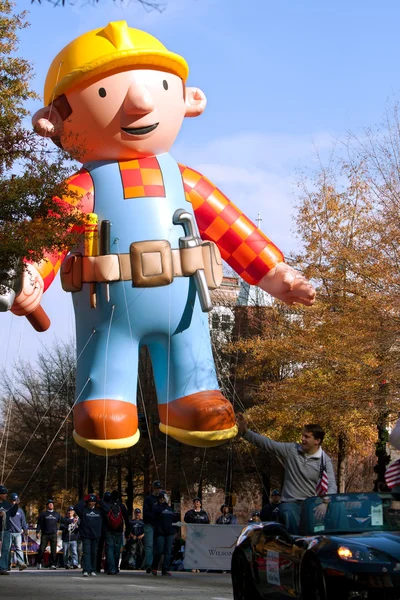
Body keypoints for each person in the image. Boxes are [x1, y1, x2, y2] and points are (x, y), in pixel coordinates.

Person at [14, 20, 316, 459]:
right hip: (108, 309)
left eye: (157, 85)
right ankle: (103, 401)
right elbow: (47, 236)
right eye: (104, 94)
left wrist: (274, 272)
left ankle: (193, 395)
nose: (139, 102)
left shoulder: (185, 181)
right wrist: (29, 274)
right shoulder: (81, 188)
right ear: (54, 121)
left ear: (188, 100)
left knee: (192, 353)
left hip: (185, 307)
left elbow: (233, 230)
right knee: (105, 385)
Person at [237, 415, 337, 533]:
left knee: (338, 509)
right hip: (291, 502)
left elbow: (331, 485)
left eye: (306, 437)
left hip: (312, 503)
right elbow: (268, 444)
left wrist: (325, 502)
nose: (302, 439)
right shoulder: (292, 450)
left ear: (317, 441)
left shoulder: (325, 461)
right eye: (302, 436)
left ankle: (345, 541)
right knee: (288, 513)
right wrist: (245, 432)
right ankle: (296, 544)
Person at [74, 493, 109, 577]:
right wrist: (84, 499)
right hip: (86, 535)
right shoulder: (83, 510)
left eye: (93, 501)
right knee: (86, 552)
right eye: (89, 501)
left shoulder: (99, 510)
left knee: (94, 553)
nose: (91, 503)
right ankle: (86, 569)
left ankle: (93, 569)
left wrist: (99, 500)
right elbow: (76, 508)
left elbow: (107, 509)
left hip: (96, 535)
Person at [151, 491, 179, 576]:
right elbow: (155, 516)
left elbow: (175, 519)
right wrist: (163, 505)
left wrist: (176, 531)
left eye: (164, 498)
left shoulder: (170, 509)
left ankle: (165, 569)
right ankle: (154, 567)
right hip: (160, 532)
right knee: (159, 550)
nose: (163, 499)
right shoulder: (156, 507)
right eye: (161, 498)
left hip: (169, 532)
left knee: (168, 551)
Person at [103, 490, 130, 575]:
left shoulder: (108, 506)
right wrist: (127, 531)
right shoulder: (121, 506)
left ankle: (111, 568)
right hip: (119, 530)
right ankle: (115, 567)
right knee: (117, 549)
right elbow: (126, 519)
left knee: (109, 548)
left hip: (109, 529)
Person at [142, 480, 162, 572]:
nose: (158, 490)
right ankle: (148, 565)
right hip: (149, 524)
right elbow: (145, 513)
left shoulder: (161, 499)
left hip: (158, 525)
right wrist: (154, 515)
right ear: (153, 488)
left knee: (157, 546)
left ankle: (155, 565)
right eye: (156, 488)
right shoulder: (148, 499)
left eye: (159, 488)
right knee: (149, 545)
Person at [36, 499, 61, 569]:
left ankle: (52, 564)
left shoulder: (57, 514)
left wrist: (71, 520)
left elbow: (62, 521)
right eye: (49, 504)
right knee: (41, 549)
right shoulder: (43, 514)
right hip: (45, 534)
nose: (51, 505)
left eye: (52, 504)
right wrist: (37, 532)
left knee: (53, 550)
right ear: (47, 506)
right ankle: (39, 562)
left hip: (53, 534)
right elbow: (39, 523)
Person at [0, 485, 18, 575]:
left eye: (6, 493)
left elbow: (12, 514)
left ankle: (3, 568)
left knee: (6, 549)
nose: (6, 495)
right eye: (3, 493)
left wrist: (16, 505)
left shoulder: (7, 504)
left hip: (6, 529)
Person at [8, 492, 28, 571]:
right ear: (10, 500)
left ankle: (21, 563)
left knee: (18, 548)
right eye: (13, 500)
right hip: (9, 532)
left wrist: (25, 529)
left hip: (18, 533)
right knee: (8, 549)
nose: (14, 502)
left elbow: (23, 521)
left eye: (15, 500)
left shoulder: (20, 511)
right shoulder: (7, 509)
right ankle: (7, 564)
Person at [96, 491, 111, 573]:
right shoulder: (108, 507)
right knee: (106, 549)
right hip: (106, 529)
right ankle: (105, 566)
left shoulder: (101, 508)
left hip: (103, 529)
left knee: (100, 549)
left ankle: (98, 566)